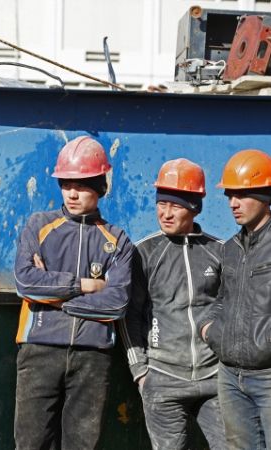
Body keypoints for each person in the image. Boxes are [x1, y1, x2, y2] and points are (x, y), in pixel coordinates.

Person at [13, 136, 134, 450]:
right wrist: (86, 285)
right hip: (39, 350)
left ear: (100, 187)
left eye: (81, 185)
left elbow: (117, 303)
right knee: (31, 444)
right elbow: (26, 282)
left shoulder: (117, 239)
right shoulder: (38, 225)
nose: (72, 193)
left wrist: (56, 300)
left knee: (82, 445)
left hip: (92, 355)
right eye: (66, 185)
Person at [119, 158, 225, 449]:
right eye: (161, 204)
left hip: (215, 378)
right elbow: (129, 315)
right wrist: (140, 372)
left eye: (175, 206)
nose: (165, 213)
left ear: (195, 208)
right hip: (163, 378)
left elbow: (231, 309)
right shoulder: (143, 253)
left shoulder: (219, 251)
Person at [200, 149, 271, 449]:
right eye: (230, 195)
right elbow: (221, 298)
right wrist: (210, 330)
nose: (233, 203)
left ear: (265, 195)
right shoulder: (229, 248)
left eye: (241, 195)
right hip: (230, 377)